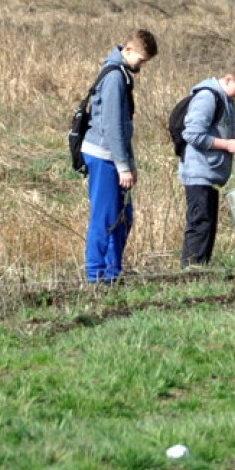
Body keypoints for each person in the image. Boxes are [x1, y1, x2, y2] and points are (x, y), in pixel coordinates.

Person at [80, 28, 158, 283]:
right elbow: (112, 126)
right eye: (141, 60)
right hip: (103, 156)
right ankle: (95, 276)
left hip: (114, 157)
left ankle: (113, 274)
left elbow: (124, 127)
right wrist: (123, 165)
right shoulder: (115, 77)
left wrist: (130, 164)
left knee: (123, 218)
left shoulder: (123, 74)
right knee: (104, 218)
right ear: (128, 50)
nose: (142, 66)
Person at [178, 58, 235, 269]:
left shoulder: (226, 101)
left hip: (211, 173)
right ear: (228, 79)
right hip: (198, 171)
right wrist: (226, 144)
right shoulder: (207, 97)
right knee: (199, 222)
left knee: (208, 224)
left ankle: (201, 267)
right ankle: (191, 269)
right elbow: (192, 134)